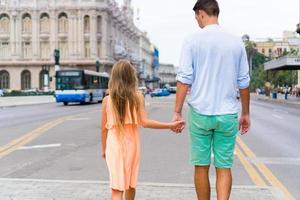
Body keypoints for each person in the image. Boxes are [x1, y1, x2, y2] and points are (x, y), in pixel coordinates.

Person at [172, 0, 251, 200]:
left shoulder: (191, 40)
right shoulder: (236, 42)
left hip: (200, 113)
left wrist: (177, 111)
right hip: (227, 114)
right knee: (224, 167)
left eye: (196, 17)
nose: (196, 21)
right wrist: (246, 113)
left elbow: (184, 79)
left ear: (201, 14)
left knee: (201, 166)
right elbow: (244, 82)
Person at [101, 59, 184, 200]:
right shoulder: (137, 97)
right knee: (131, 184)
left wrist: (104, 150)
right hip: (132, 145)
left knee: (116, 187)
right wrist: (169, 125)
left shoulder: (107, 100)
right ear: (131, 77)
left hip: (113, 146)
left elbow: (104, 130)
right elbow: (145, 122)